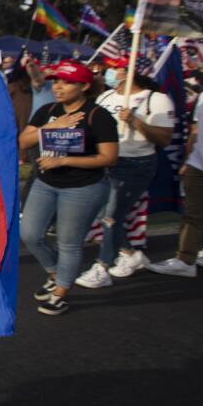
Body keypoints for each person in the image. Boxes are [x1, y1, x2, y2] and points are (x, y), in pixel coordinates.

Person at [19, 60, 118, 316]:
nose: (58, 87)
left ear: (84, 86)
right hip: (46, 183)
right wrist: (50, 127)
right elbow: (22, 141)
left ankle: (60, 293)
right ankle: (55, 273)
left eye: (66, 82)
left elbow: (109, 158)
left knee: (68, 243)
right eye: (56, 81)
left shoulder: (98, 115)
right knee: (29, 234)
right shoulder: (47, 111)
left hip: (83, 187)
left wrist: (64, 160)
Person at [76, 58, 174, 287]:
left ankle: (102, 266)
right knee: (105, 215)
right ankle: (130, 254)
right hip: (105, 162)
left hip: (136, 164)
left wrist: (135, 121)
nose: (112, 73)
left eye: (118, 68)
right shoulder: (106, 97)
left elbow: (164, 138)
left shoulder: (156, 99)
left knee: (111, 215)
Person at [143, 79, 203, 279]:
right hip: (198, 165)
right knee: (192, 214)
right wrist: (188, 159)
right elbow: (195, 131)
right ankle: (185, 260)